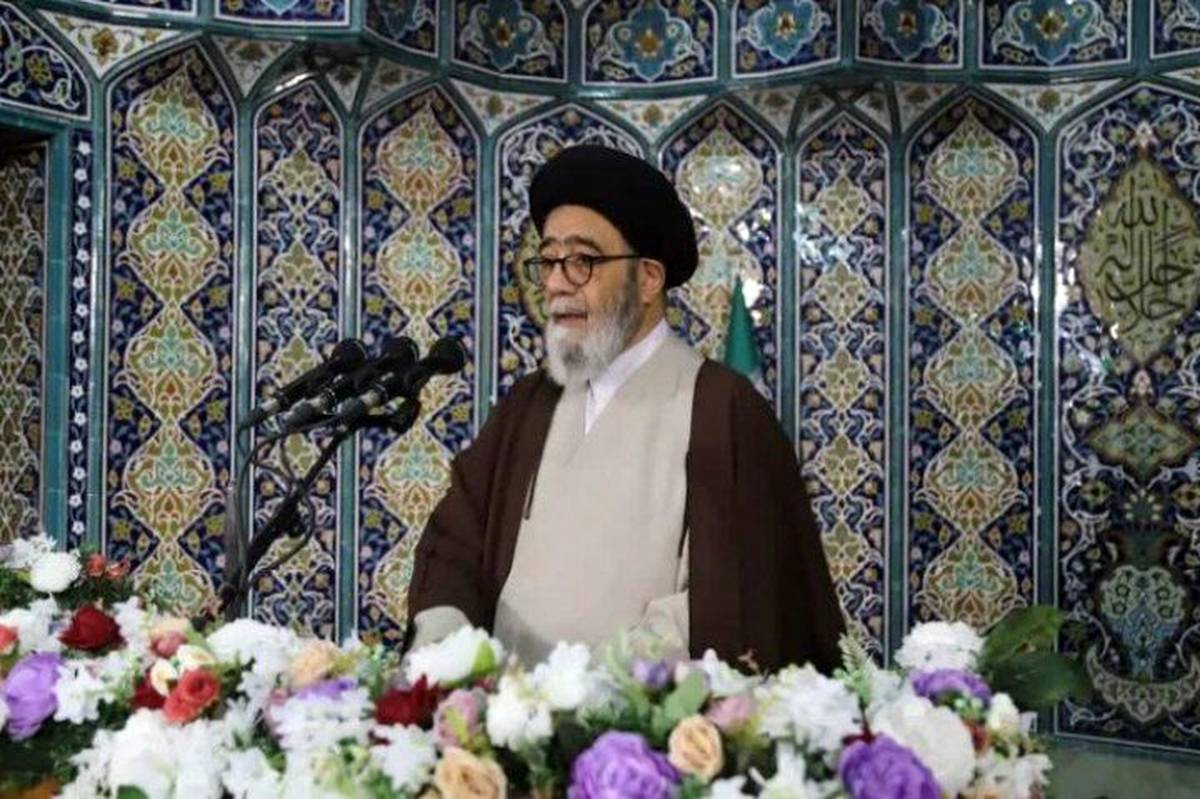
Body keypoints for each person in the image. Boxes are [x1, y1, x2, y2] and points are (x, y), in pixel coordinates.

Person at [405, 144, 844, 673]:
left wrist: (597, 689)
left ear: (649, 278)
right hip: (502, 711)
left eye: (582, 261)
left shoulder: (721, 408)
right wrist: (448, 646)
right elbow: (455, 544)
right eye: (549, 260)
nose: (555, 283)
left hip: (639, 714)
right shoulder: (528, 405)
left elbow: (737, 598)